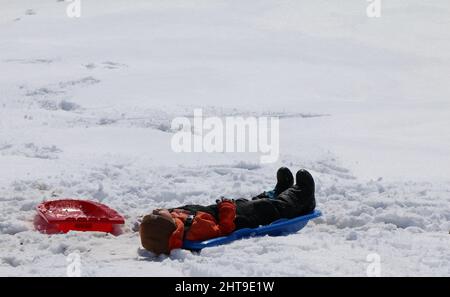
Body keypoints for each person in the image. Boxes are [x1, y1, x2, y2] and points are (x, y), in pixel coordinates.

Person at [139, 168, 316, 255]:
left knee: (252, 202)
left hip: (229, 210)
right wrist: (226, 208)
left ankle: (280, 191)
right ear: (167, 225)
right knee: (268, 209)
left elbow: (156, 226)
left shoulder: (174, 222)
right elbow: (224, 229)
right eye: (157, 215)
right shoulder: (192, 229)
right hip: (237, 218)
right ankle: (302, 197)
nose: (157, 210)